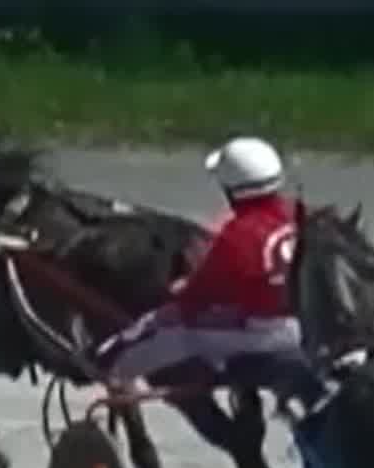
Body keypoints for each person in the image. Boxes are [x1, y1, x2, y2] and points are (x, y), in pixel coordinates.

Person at [94, 135, 312, 399]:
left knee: (169, 328)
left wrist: (180, 290)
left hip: (261, 336)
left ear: (231, 189)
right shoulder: (298, 214)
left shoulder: (237, 235)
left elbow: (195, 301)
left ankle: (111, 365)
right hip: (304, 324)